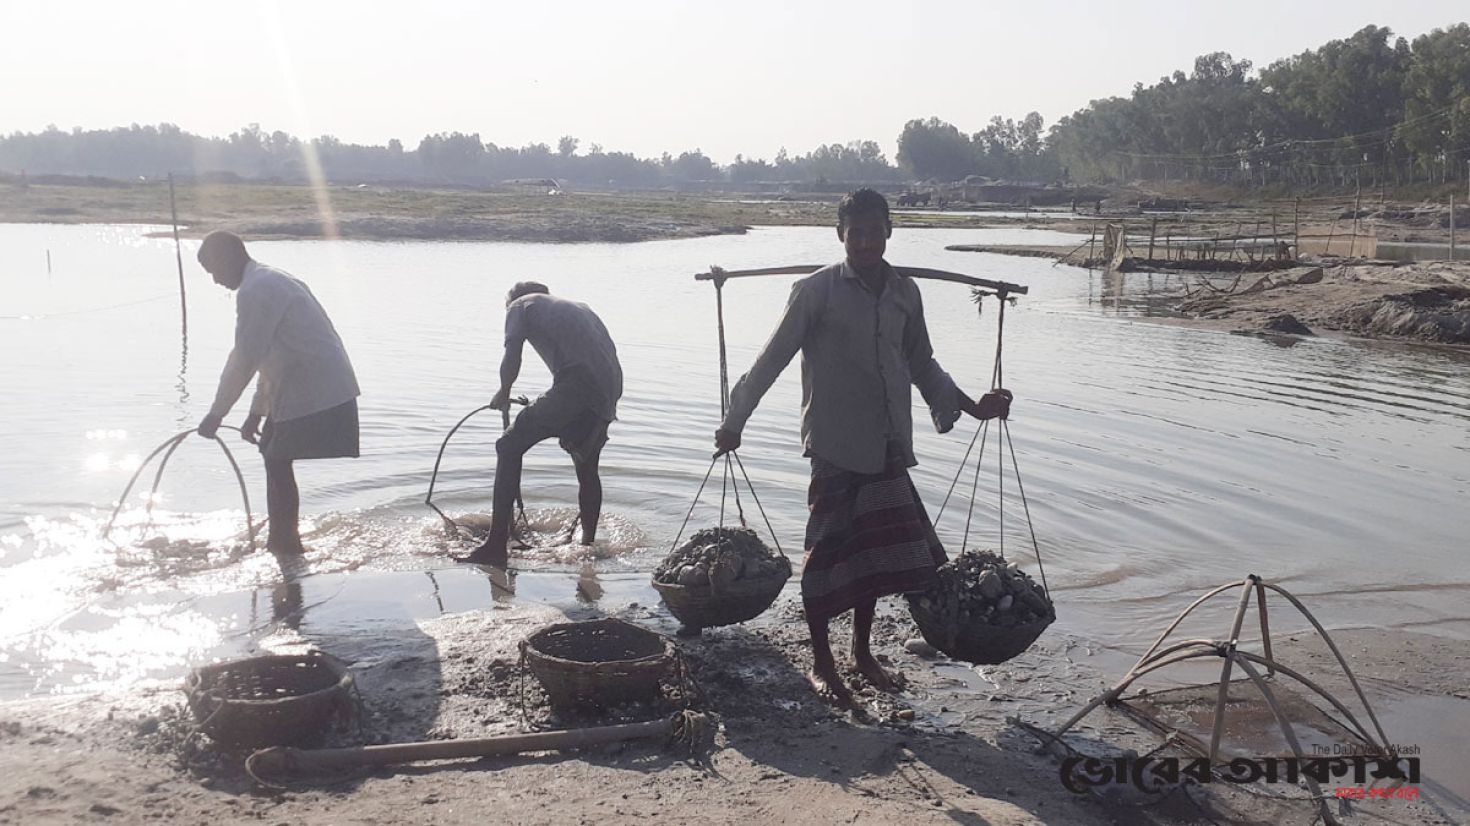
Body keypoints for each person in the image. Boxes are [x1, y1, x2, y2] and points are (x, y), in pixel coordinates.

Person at [713, 188, 1012, 707]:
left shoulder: (905, 292)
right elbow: (770, 360)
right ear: (841, 236)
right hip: (835, 441)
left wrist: (973, 406)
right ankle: (823, 662)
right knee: (827, 557)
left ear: (889, 231)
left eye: (876, 231)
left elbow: (922, 363)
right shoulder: (815, 292)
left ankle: (862, 652)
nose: (867, 242)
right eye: (857, 233)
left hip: (888, 441)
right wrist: (734, 421)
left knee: (872, 555)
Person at [195, 231, 360, 557]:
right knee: (273, 453)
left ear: (229, 259)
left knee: (276, 458)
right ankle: (282, 540)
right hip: (306, 383)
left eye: (214, 271)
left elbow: (245, 358)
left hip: (316, 387)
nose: (215, 281)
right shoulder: (266, 280)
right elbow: (272, 356)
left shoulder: (257, 290)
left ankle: (285, 543)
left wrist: (216, 414)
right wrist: (257, 412)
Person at [458, 282, 623, 566]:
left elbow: (513, 353)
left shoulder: (519, 305)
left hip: (577, 385)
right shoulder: (578, 307)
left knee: (508, 445)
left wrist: (504, 392)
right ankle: (588, 546)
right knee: (586, 465)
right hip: (610, 389)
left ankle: (496, 545)